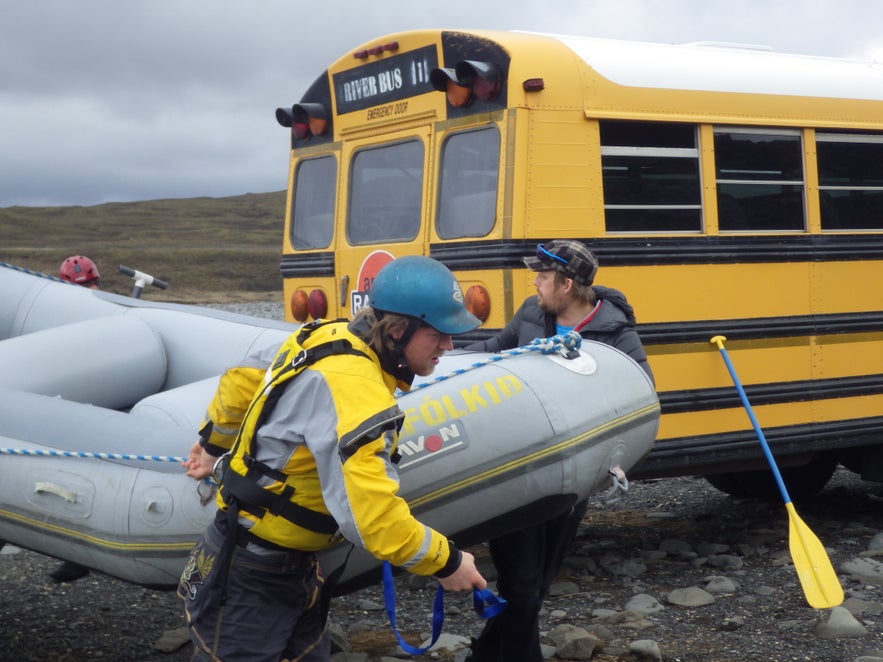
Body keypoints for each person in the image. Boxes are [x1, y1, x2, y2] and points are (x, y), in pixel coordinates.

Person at [178, 255, 487, 662]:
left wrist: (213, 444)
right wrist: (447, 562)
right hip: (253, 575)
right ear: (397, 330)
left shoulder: (324, 334)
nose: (449, 345)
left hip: (280, 562)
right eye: (438, 334)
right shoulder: (357, 391)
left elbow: (241, 380)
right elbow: (373, 520)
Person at [463, 239, 655, 662]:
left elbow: (641, 396)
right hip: (517, 471)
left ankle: (486, 655)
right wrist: (441, 362)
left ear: (567, 285)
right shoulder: (532, 315)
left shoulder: (614, 334)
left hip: (572, 480)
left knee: (537, 586)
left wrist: (619, 459)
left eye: (543, 277)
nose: (535, 282)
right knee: (522, 586)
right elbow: (493, 352)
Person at [48, 254, 101, 582]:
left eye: (89, 286)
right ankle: (73, 555)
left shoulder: (116, 313)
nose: (86, 293)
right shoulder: (56, 322)